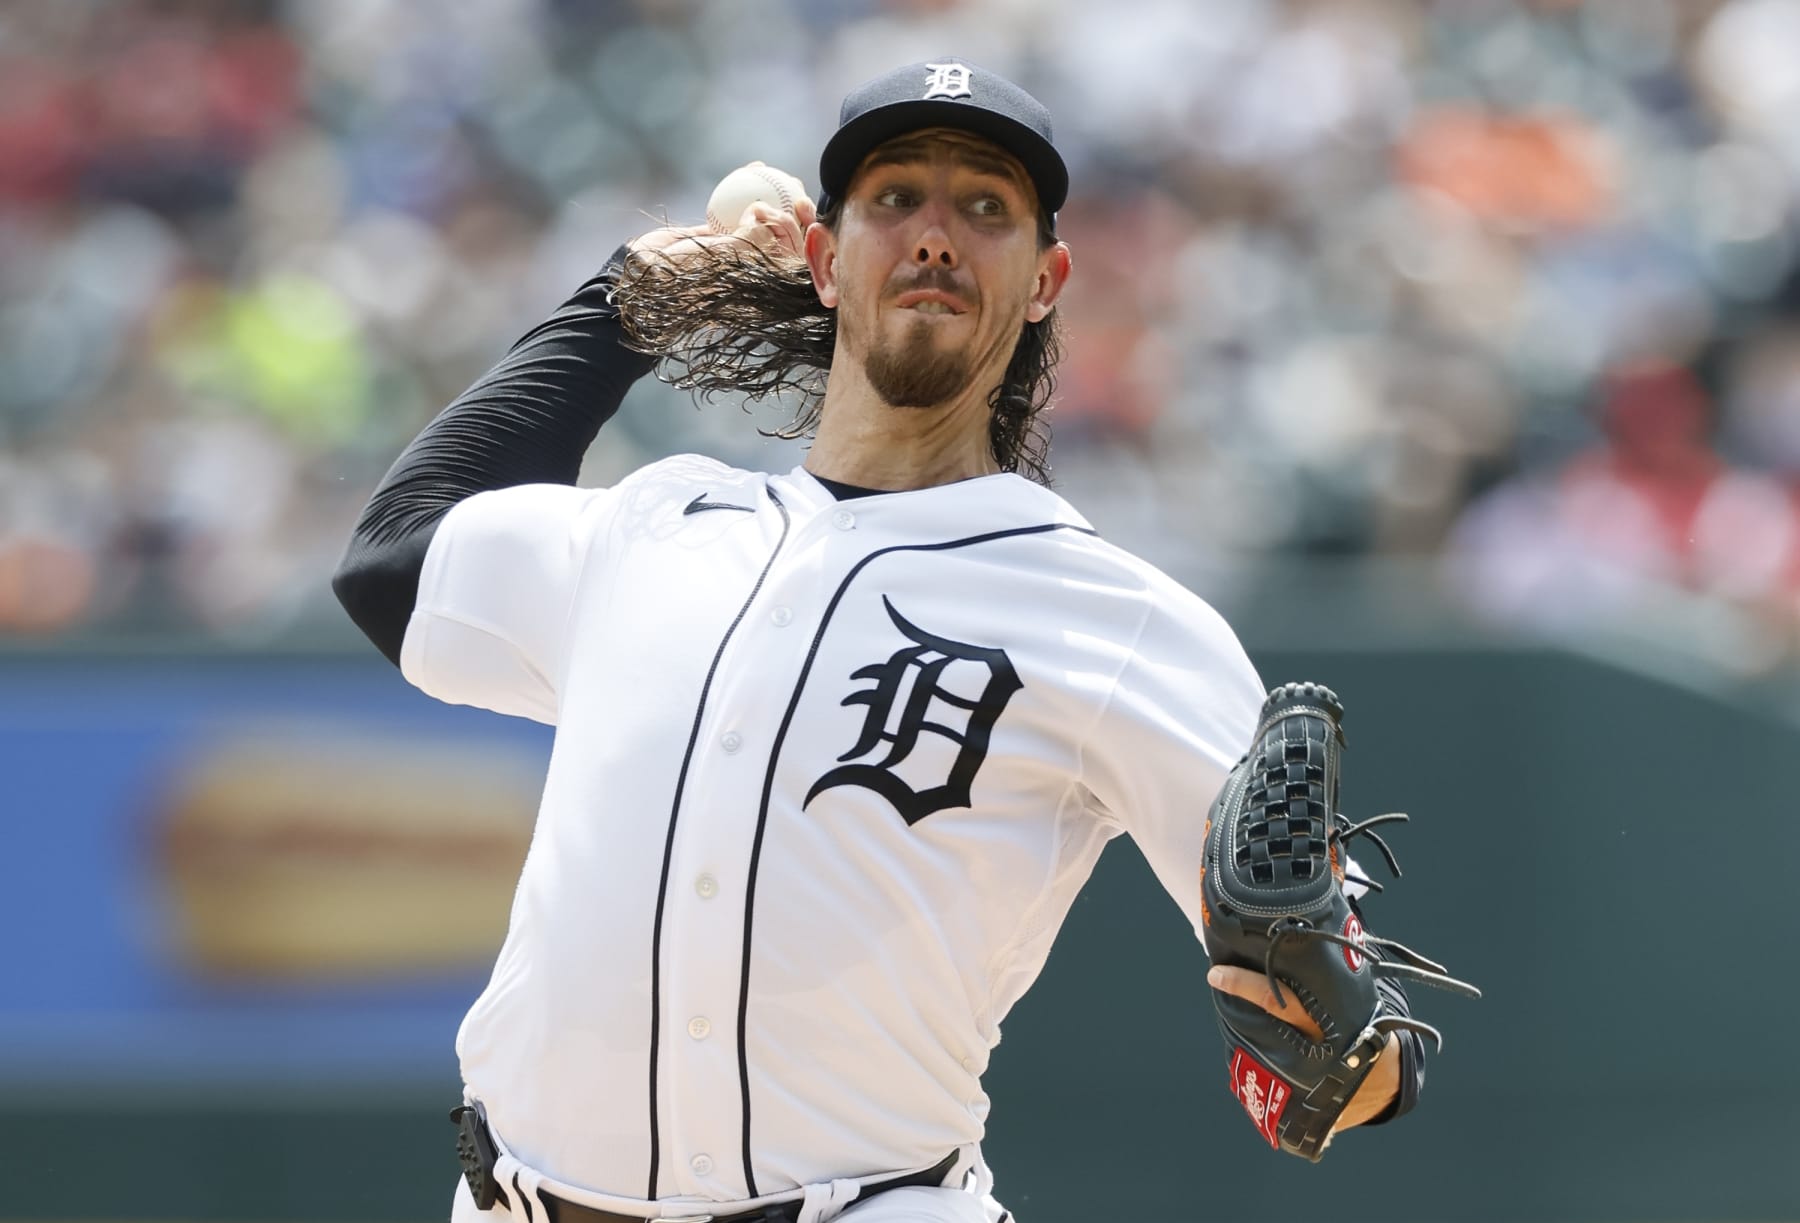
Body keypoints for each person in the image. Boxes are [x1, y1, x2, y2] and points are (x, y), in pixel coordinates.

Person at [333, 59, 1426, 1223]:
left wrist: (1327, 1027)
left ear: (1048, 278)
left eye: (987, 207)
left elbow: (1357, 1051)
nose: (937, 234)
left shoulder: (1109, 616)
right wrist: (640, 290)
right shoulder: (657, 526)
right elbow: (397, 558)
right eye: (894, 197)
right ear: (822, 257)